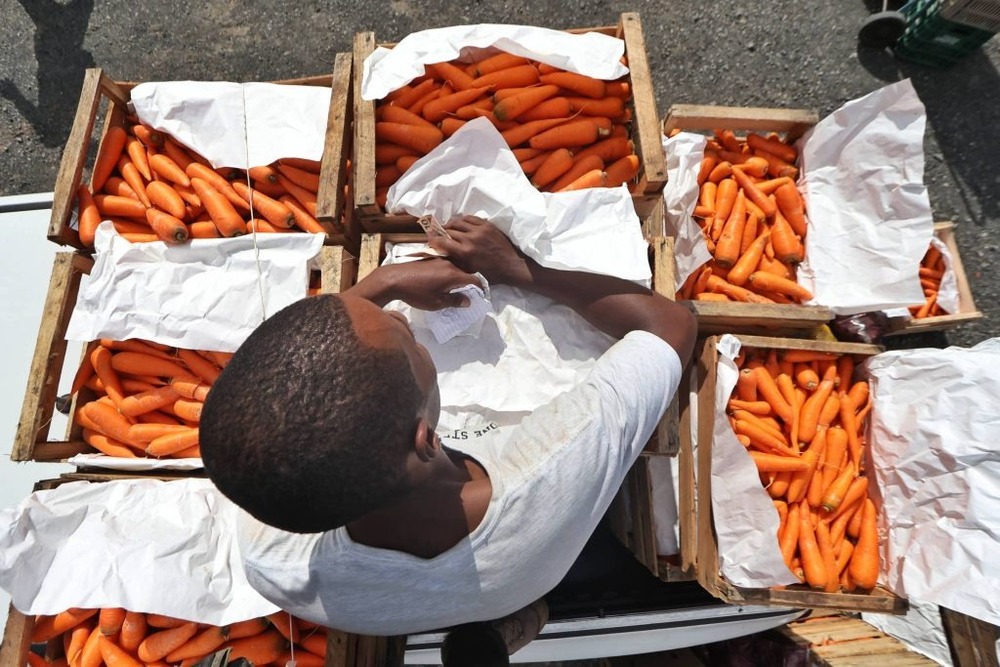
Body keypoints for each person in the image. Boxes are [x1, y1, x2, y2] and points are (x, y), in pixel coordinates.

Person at [200, 216, 697, 638]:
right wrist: (520, 270)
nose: (405, 324)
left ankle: (485, 629)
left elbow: (289, 394)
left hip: (433, 604)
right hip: (520, 582)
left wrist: (384, 283)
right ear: (426, 441)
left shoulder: (269, 555)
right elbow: (671, 326)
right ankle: (509, 623)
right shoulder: (554, 464)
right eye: (412, 345)